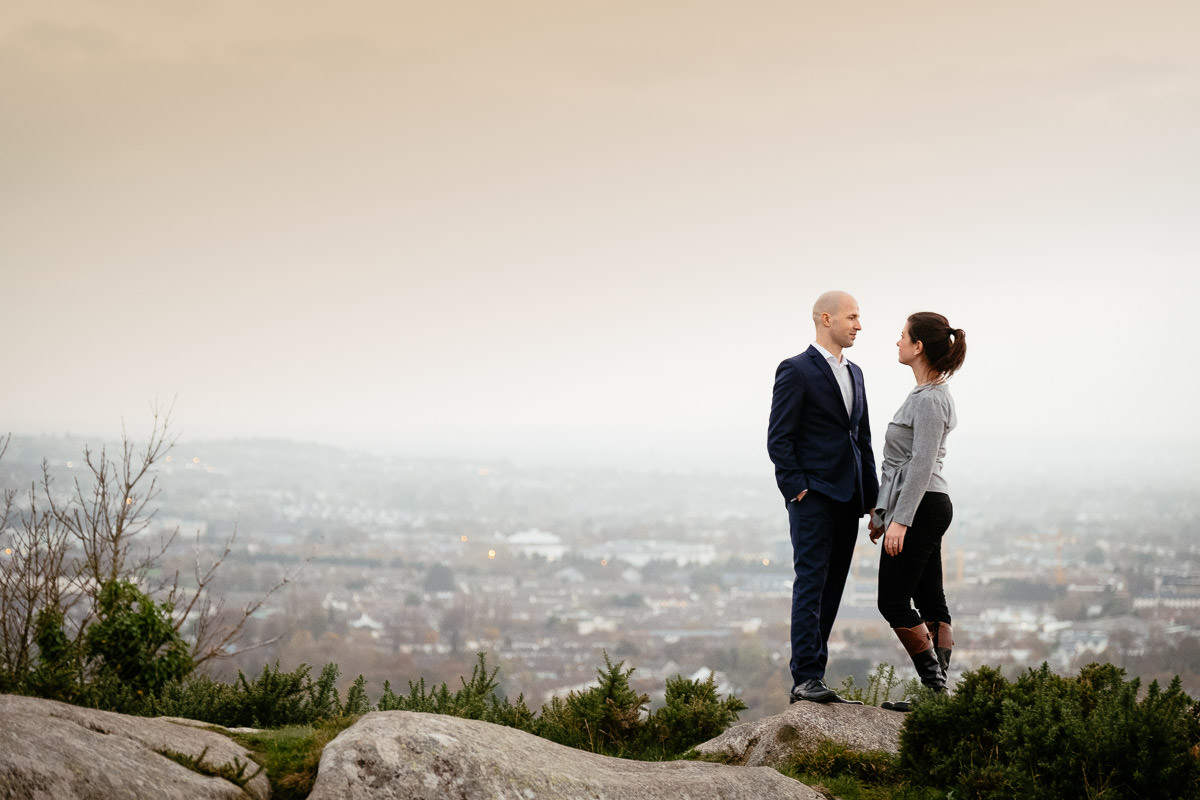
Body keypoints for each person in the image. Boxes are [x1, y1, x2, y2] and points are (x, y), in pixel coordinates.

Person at [768, 290, 879, 704]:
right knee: (811, 584)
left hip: (849, 500)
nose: (859, 325)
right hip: (812, 498)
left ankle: (816, 676)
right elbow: (779, 438)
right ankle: (805, 678)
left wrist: (873, 503)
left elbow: (862, 441)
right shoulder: (795, 370)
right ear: (825, 318)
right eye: (852, 316)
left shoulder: (857, 373)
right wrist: (797, 489)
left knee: (832, 589)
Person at [868, 312, 967, 712]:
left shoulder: (929, 400)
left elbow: (921, 464)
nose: (897, 342)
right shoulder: (926, 393)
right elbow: (904, 466)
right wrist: (882, 515)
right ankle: (935, 696)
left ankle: (935, 691)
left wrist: (900, 521)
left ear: (919, 346)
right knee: (929, 596)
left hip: (922, 506)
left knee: (892, 600)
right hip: (925, 504)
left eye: (902, 336)